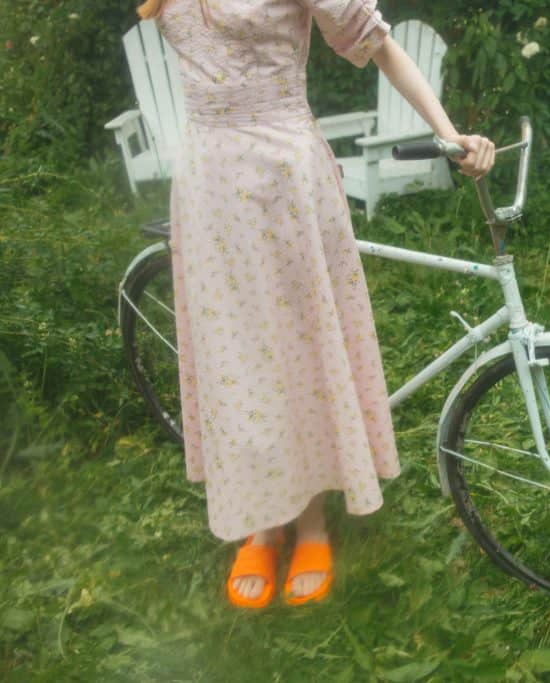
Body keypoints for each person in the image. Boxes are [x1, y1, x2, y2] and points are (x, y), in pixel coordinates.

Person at [135, 0, 495, 608]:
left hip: (283, 176)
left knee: (298, 345)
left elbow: (379, 44)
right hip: (206, 181)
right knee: (235, 352)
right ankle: (261, 517)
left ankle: (309, 522)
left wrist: (448, 132)